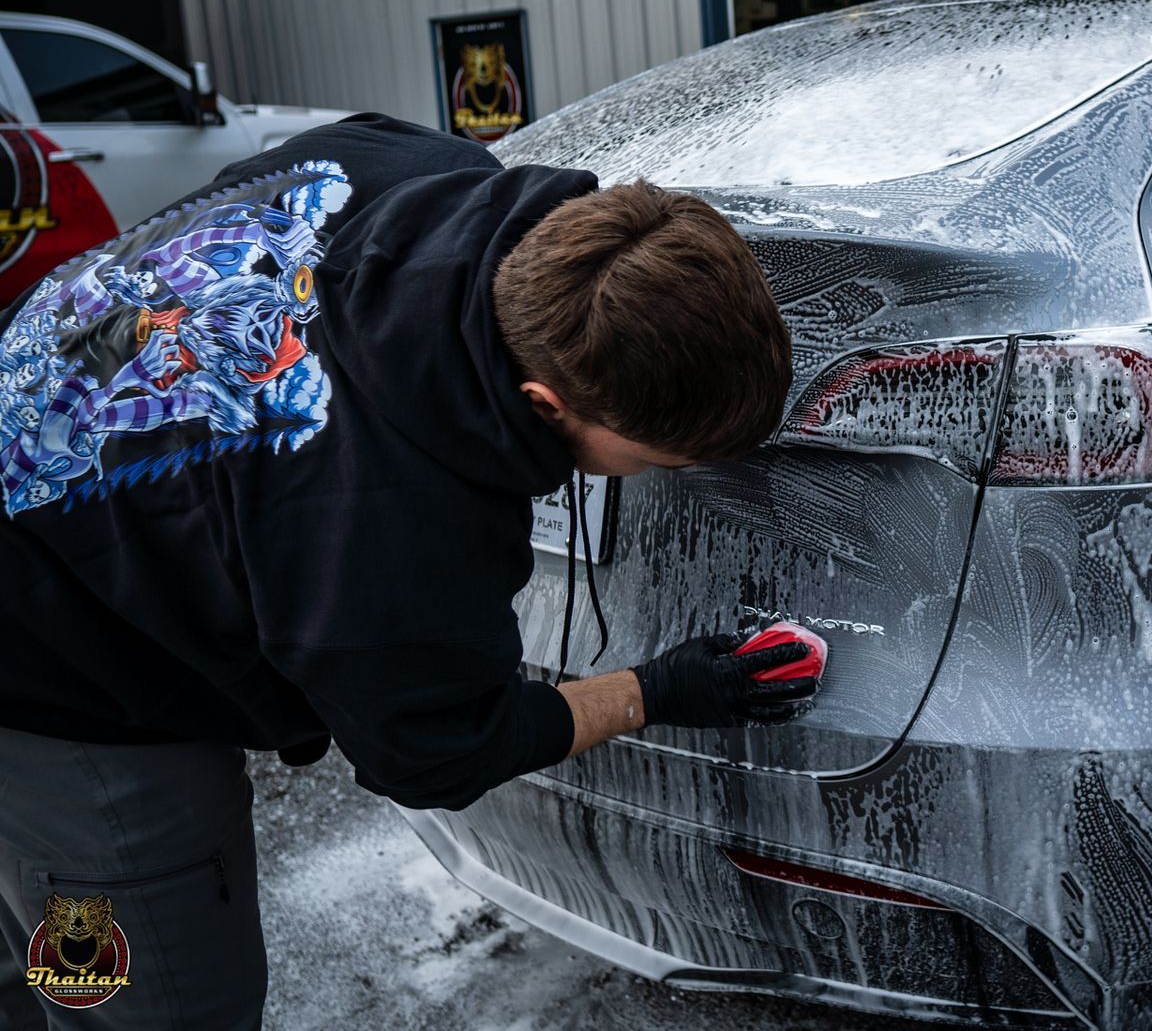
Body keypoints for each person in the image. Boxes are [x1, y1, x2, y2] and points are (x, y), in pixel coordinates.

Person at [0, 113, 813, 1029]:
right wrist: (657, 690)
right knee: (151, 999)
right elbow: (439, 751)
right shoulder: (392, 521)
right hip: (55, 686)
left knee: (19, 957)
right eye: (661, 460)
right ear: (543, 404)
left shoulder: (416, 163)